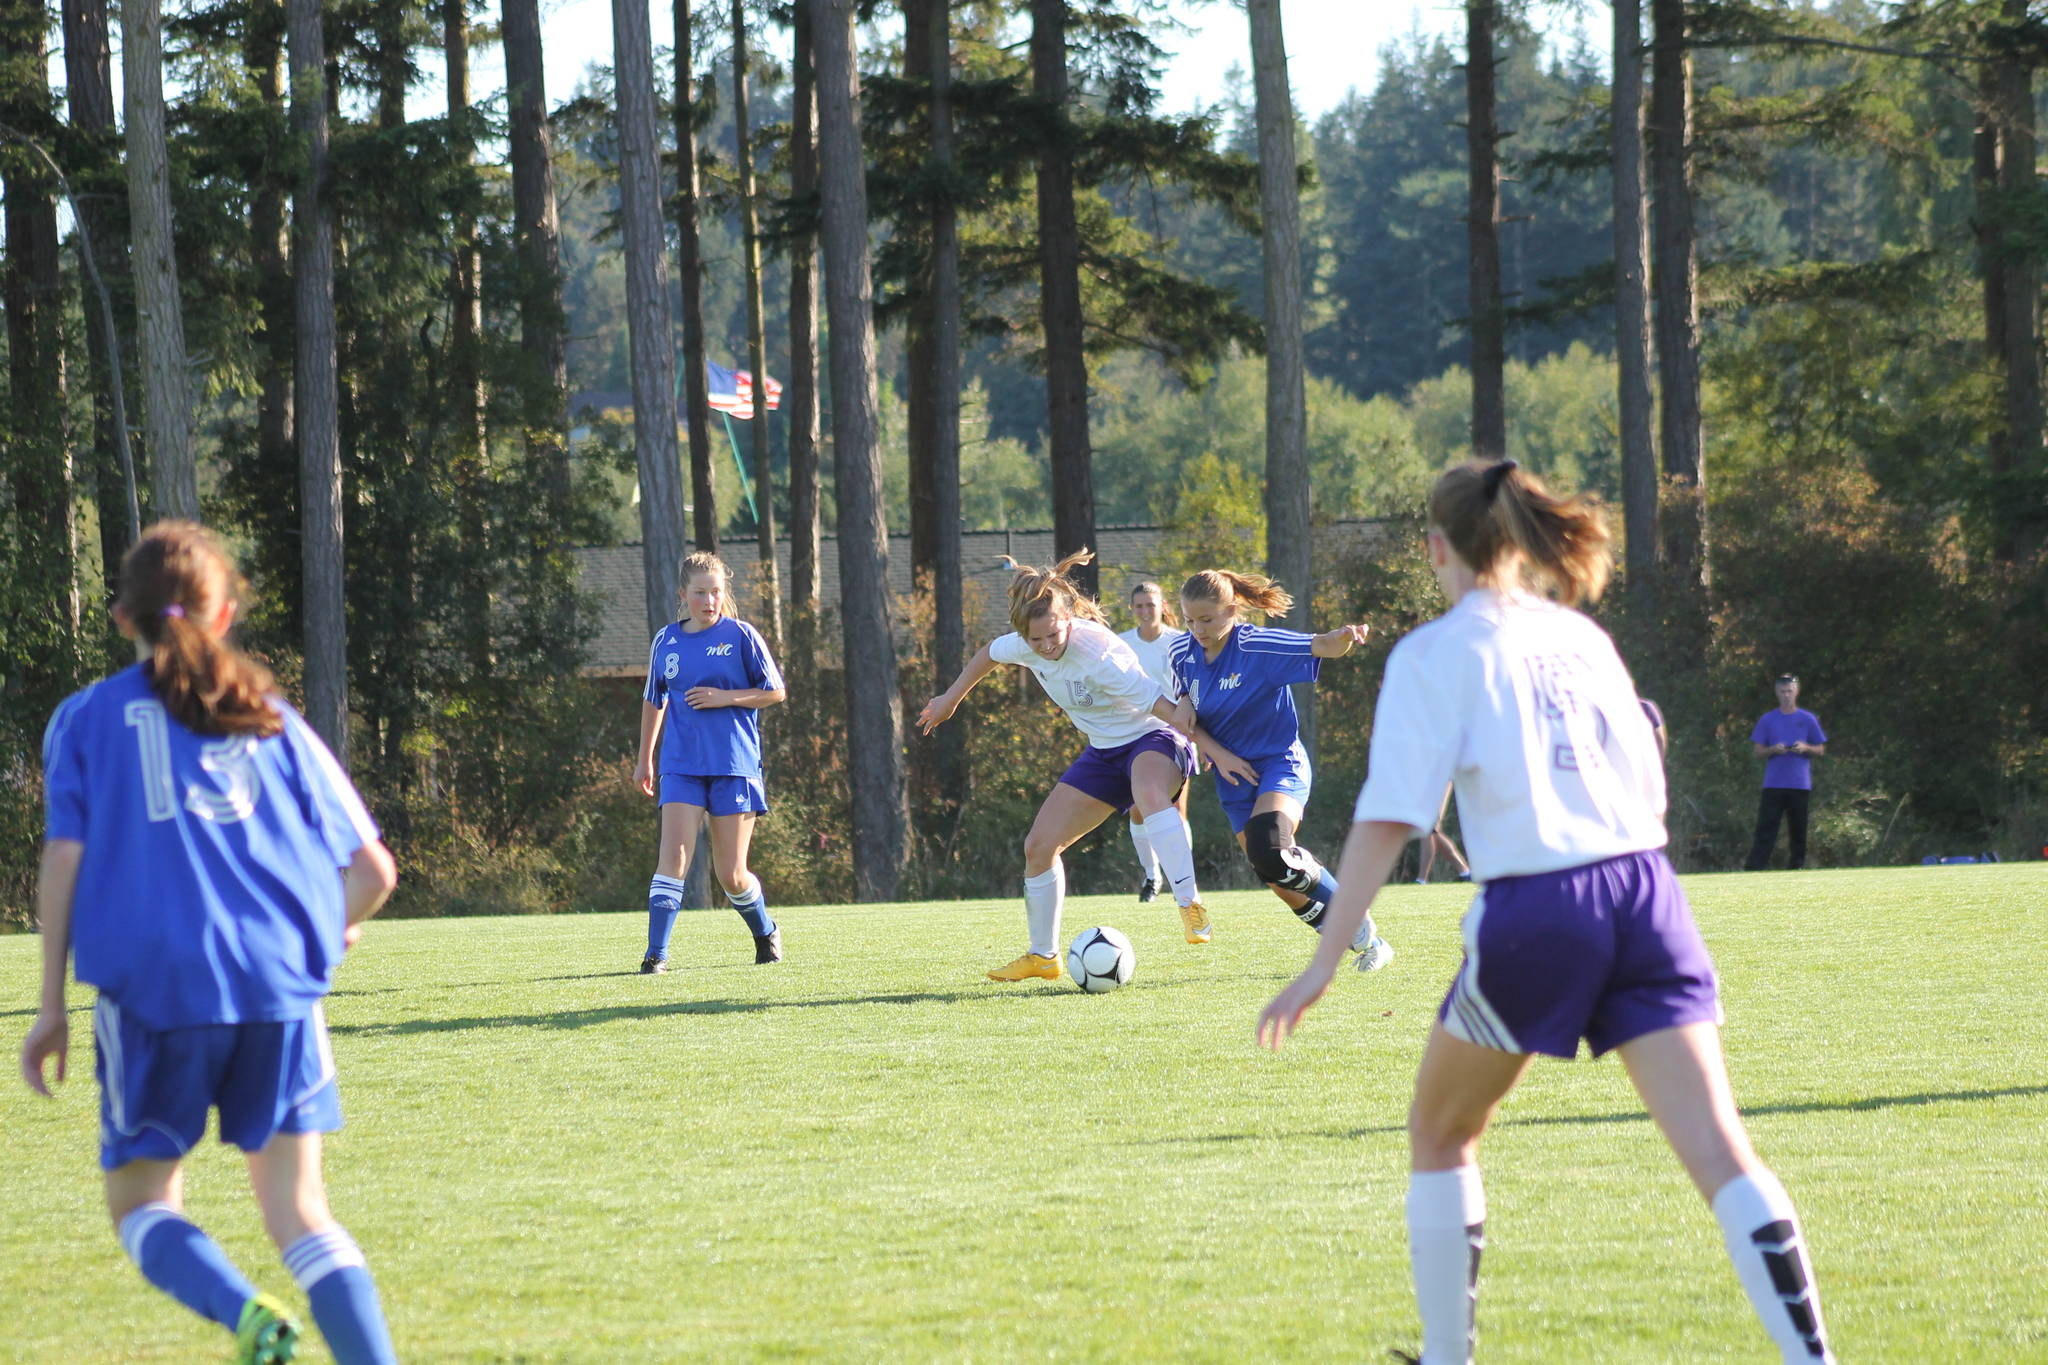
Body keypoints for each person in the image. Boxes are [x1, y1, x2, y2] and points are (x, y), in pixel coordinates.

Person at [1256, 461, 1834, 1365]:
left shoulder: (1434, 653)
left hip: (1543, 904)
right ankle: (1814, 1357)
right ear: (1520, 538)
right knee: (1722, 1152)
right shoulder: (1579, 634)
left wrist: (1325, 960)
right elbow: (1647, 777)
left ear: (1436, 548)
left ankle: (1448, 1356)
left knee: (1440, 1132)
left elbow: (1386, 820)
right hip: (1647, 891)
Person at [21, 522, 401, 1365]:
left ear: (123, 618)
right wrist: (314, 940)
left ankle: (247, 1315)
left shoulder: (84, 719)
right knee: (301, 1214)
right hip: (277, 988)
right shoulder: (270, 716)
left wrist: (50, 1006)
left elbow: (65, 857)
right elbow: (374, 869)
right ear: (224, 613)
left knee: (143, 1204)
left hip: (156, 988)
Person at [918, 551, 1213, 980]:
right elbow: (989, 654)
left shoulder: (1099, 654)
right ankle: (1043, 956)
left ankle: (1190, 903)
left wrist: (1216, 750)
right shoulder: (1025, 642)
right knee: (1038, 847)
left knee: (1148, 794)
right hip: (1104, 752)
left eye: (1052, 635)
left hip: (1155, 737)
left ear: (1068, 618)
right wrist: (950, 700)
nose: (1045, 646)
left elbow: (1162, 708)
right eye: (1034, 640)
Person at [1168, 569, 1391, 969]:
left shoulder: (1257, 646)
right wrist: (1187, 702)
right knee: (1273, 873)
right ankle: (1362, 940)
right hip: (1233, 778)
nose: (1197, 630)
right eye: (1189, 620)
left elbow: (1320, 645)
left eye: (1207, 619)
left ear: (1232, 611)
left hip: (1279, 763)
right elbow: (1185, 706)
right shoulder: (1180, 652)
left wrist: (1344, 637)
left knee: (1270, 847)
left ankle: (1352, 914)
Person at [634, 550, 789, 971]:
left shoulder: (742, 636)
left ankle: (765, 931)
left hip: (733, 765)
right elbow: (654, 699)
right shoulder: (666, 640)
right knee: (673, 860)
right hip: (681, 765)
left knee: (731, 875)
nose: (709, 601)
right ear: (683, 595)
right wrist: (645, 759)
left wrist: (726, 697)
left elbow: (775, 691)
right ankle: (656, 955)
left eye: (716, 592)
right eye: (700, 593)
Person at [1119, 581, 1193, 904]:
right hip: (1133, 735)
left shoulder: (1181, 641)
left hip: (1175, 732)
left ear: (1162, 606)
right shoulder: (1121, 644)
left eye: (1150, 605)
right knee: (1137, 809)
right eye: (1139, 606)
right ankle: (1152, 876)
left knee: (1175, 809)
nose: (1145, 611)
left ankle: (1184, 881)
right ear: (1132, 609)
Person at [1745, 675, 1825, 872]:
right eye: (1782, 691)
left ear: (1796, 691)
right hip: (1774, 783)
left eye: (1790, 691)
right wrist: (1773, 749)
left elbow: (1820, 749)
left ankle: (1796, 867)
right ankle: (1755, 868)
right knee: (1766, 828)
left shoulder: (1807, 719)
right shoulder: (1768, 719)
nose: (1786, 695)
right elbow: (1758, 751)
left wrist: (1805, 747)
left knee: (1798, 828)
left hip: (1799, 783)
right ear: (1777, 693)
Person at [1414, 786, 1471, 885]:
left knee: (1429, 827)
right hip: (1422, 786)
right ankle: (1465, 872)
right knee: (1430, 829)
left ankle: (1421, 879)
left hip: (1437, 783)